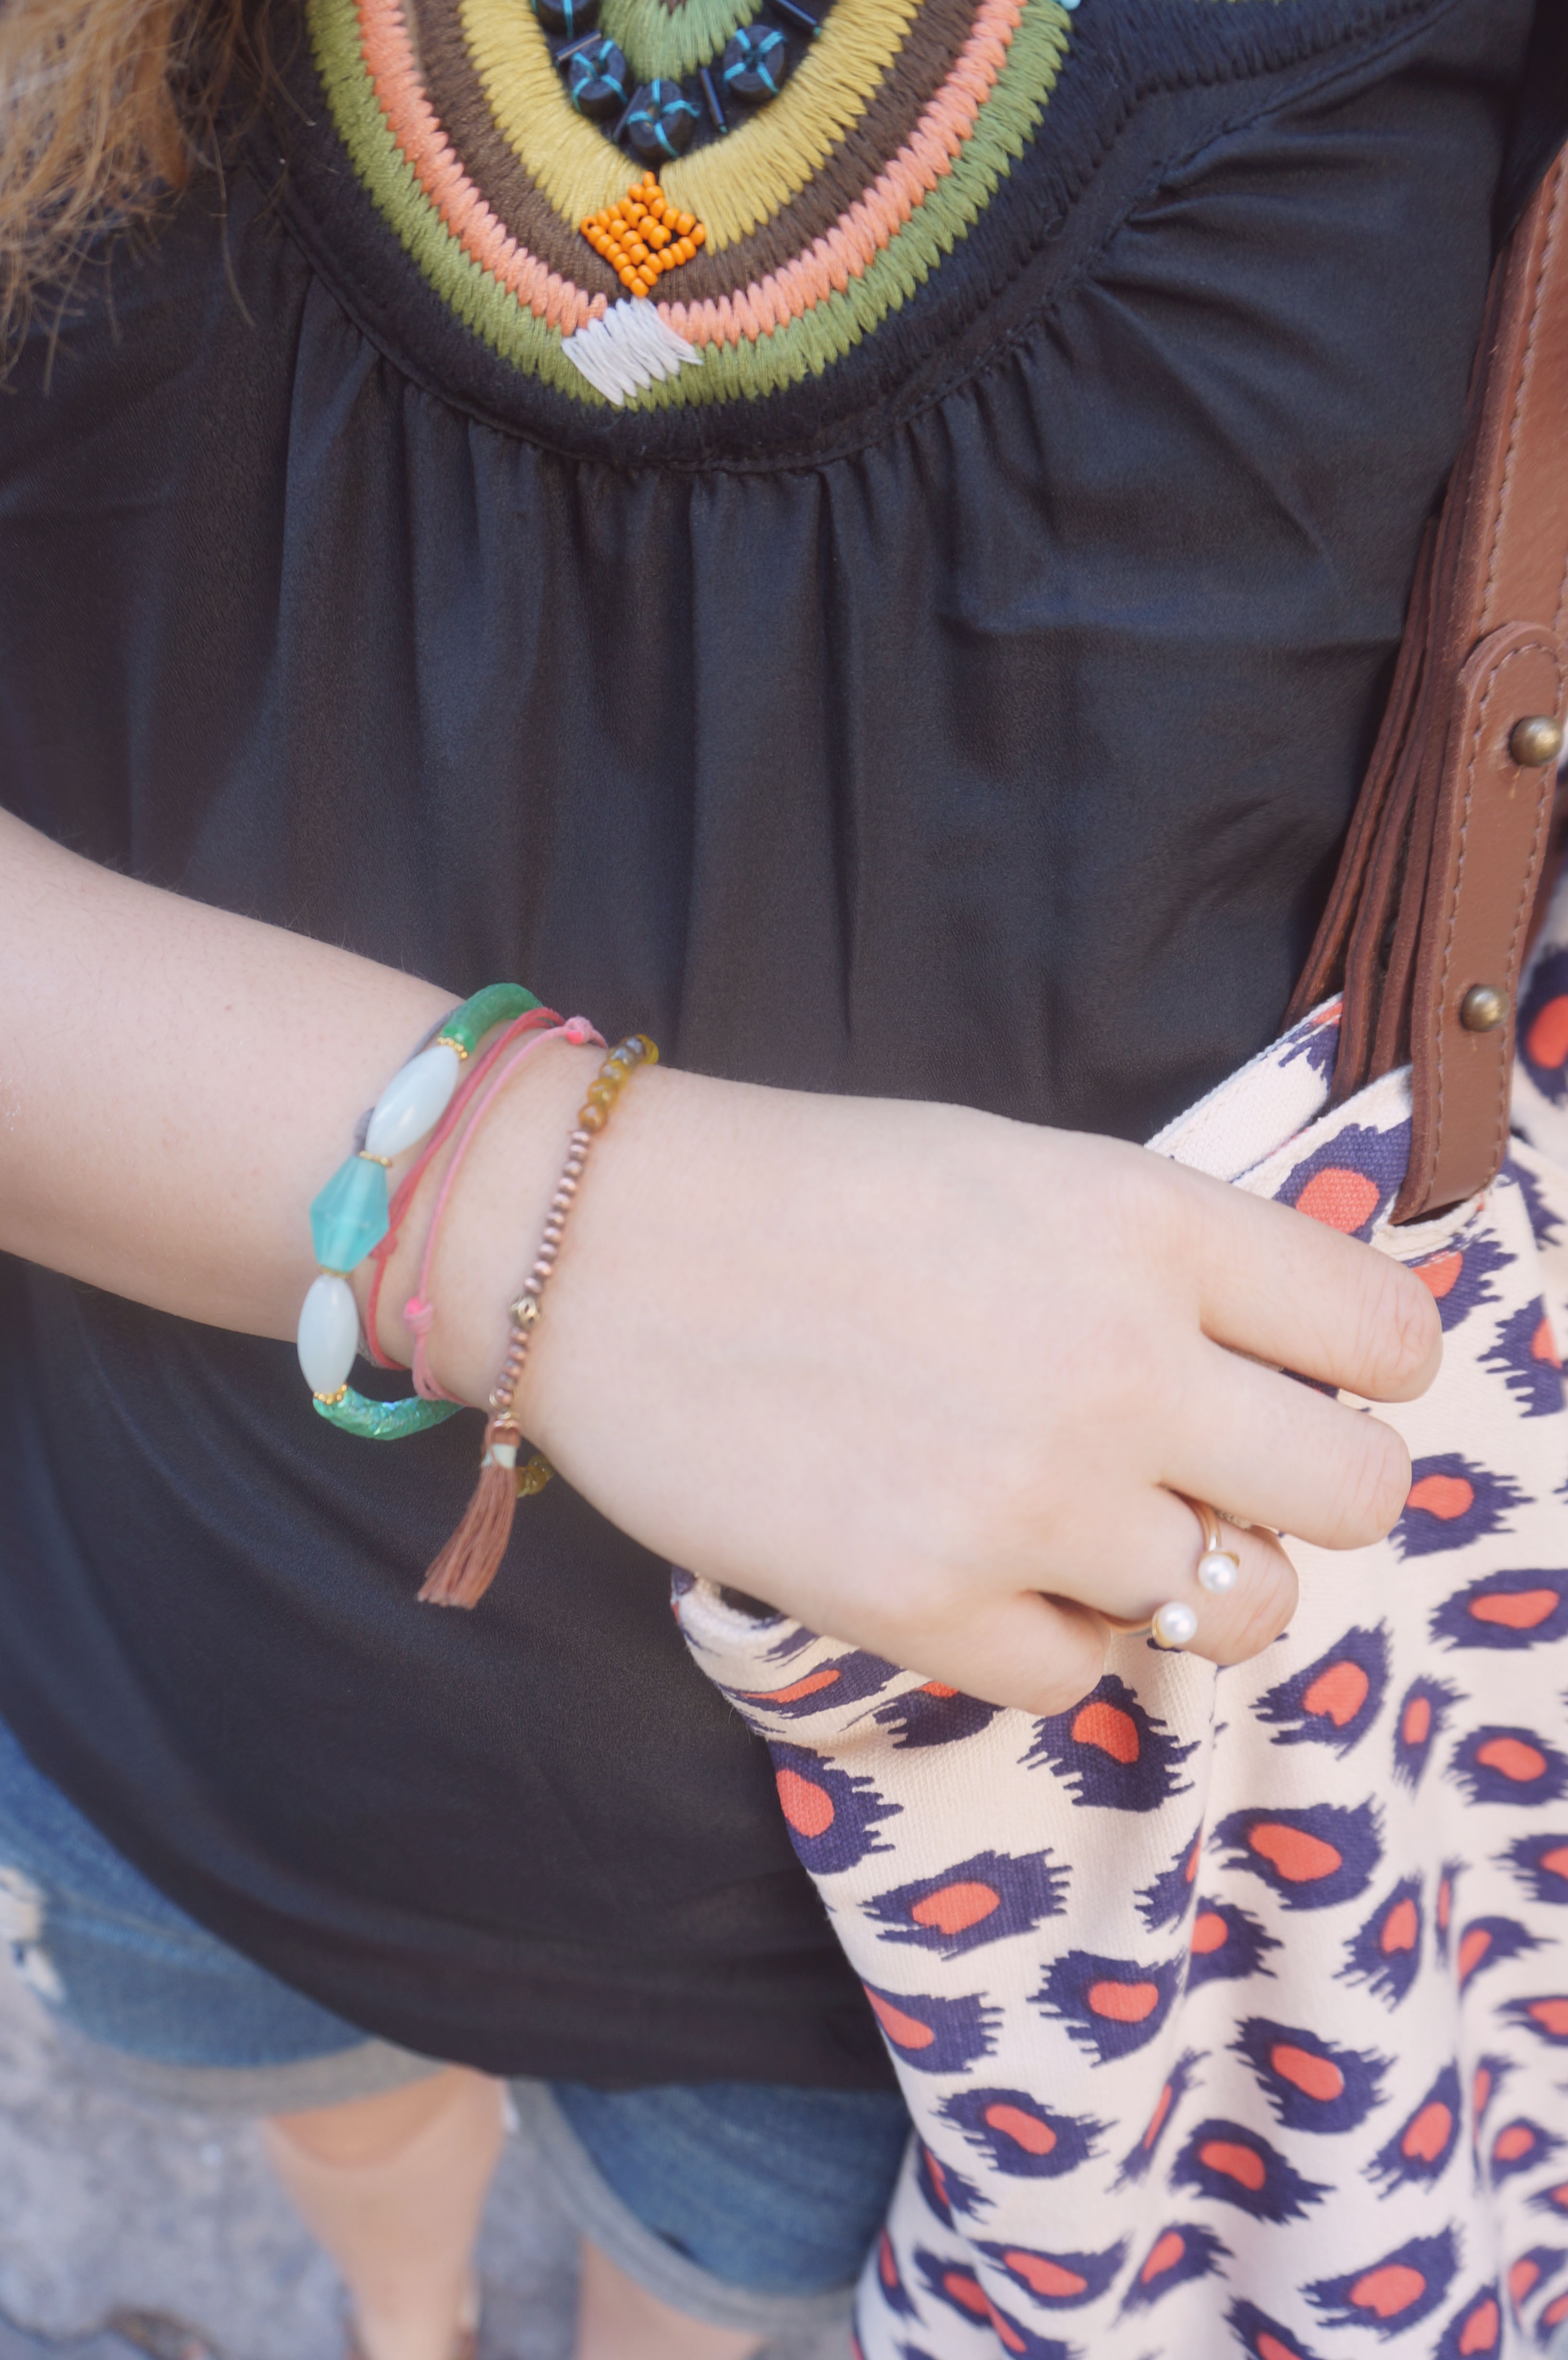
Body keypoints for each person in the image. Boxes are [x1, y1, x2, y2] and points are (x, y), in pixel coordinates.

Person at [0, 0, 1541, 2350]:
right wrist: (558, 1218)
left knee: (704, 2282)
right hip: (178, 1667)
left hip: (914, 1875)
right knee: (350, 2135)